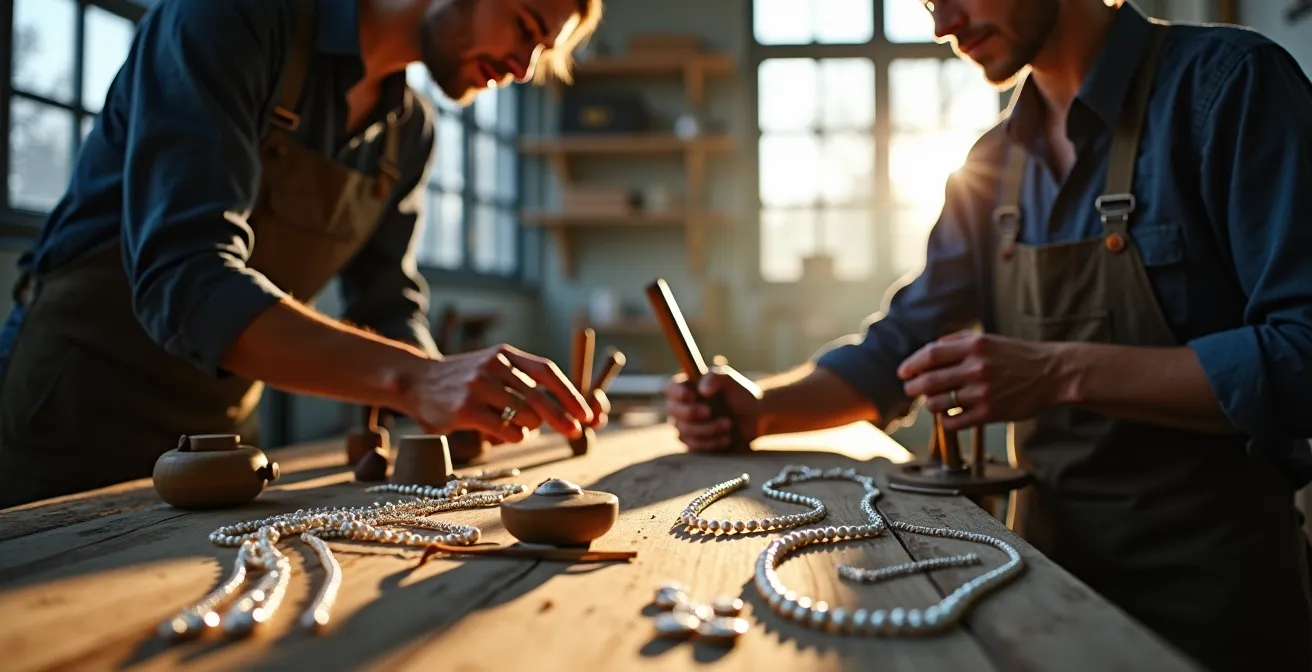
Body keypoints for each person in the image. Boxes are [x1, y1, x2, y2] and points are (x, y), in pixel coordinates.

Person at [666, 0, 1312, 669]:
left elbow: (1303, 354)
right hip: (1037, 583)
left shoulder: (1230, 87)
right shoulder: (992, 162)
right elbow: (899, 347)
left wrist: (1058, 372)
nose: (942, 23)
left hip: (1216, 608)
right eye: (924, 2)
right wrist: (762, 408)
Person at [0, 0, 605, 509]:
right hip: (72, 408)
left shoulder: (409, 131)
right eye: (526, 26)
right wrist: (420, 381)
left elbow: (388, 305)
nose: (526, 69)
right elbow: (186, 280)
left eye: (543, 51)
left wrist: (457, 404)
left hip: (220, 434)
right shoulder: (232, 18)